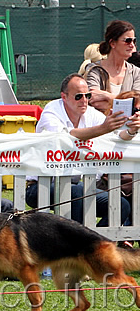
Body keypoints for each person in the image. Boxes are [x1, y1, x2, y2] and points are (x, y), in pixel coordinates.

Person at [25, 73, 138, 227]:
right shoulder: (51, 111)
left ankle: (93, 244)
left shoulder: (91, 114)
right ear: (64, 97)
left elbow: (117, 136)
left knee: (121, 205)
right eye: (78, 96)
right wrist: (103, 128)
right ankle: (78, 244)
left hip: (74, 185)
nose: (84, 100)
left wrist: (131, 129)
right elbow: (64, 137)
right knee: (77, 193)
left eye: (88, 95)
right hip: (39, 187)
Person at [86, 20, 140, 114]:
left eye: (134, 41)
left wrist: (107, 96)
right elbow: (93, 100)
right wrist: (126, 104)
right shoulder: (94, 70)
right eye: (127, 41)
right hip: (101, 125)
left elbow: (136, 104)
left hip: (130, 127)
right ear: (112, 43)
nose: (132, 45)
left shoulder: (136, 72)